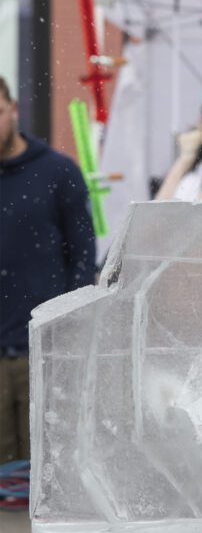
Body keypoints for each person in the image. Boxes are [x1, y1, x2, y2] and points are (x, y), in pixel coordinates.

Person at [0, 77, 96, 464]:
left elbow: (83, 258)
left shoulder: (57, 172)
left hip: (44, 351)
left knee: (48, 470)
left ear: (13, 110)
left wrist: (68, 332)